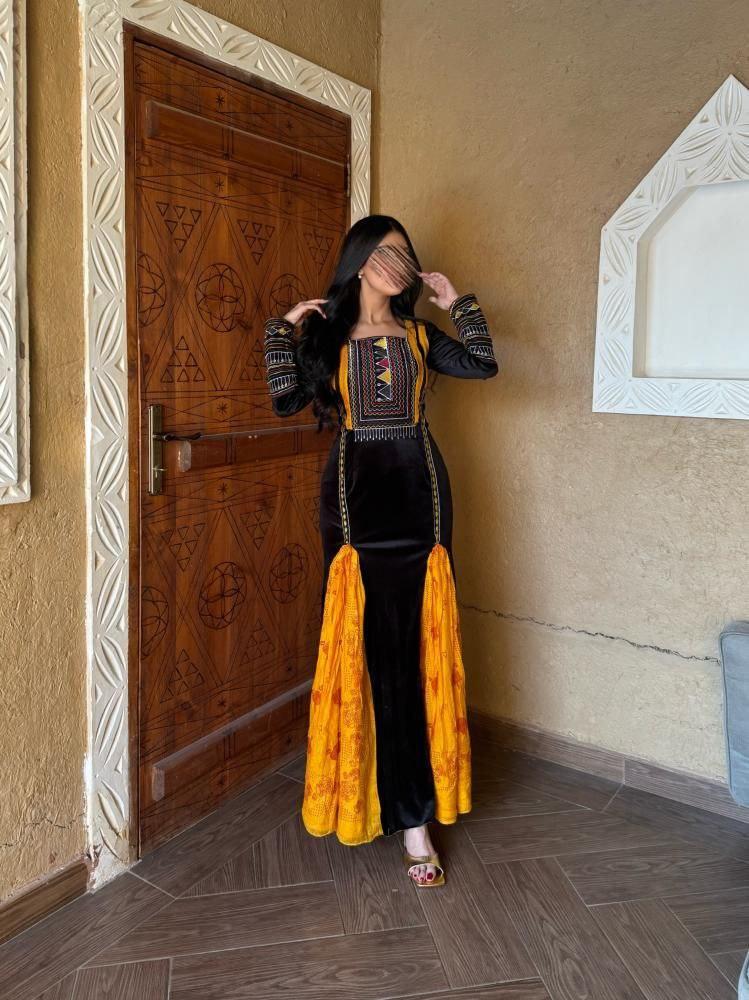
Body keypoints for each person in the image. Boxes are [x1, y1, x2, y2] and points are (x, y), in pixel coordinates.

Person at [263, 214, 499, 887]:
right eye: (386, 253)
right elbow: (284, 401)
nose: (398, 265)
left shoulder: (421, 336)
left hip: (423, 506)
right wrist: (281, 332)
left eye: (405, 255)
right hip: (353, 511)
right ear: (360, 259)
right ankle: (363, 794)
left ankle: (417, 821)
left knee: (418, 654)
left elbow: (483, 363)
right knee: (365, 653)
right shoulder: (328, 337)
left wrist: (457, 303)